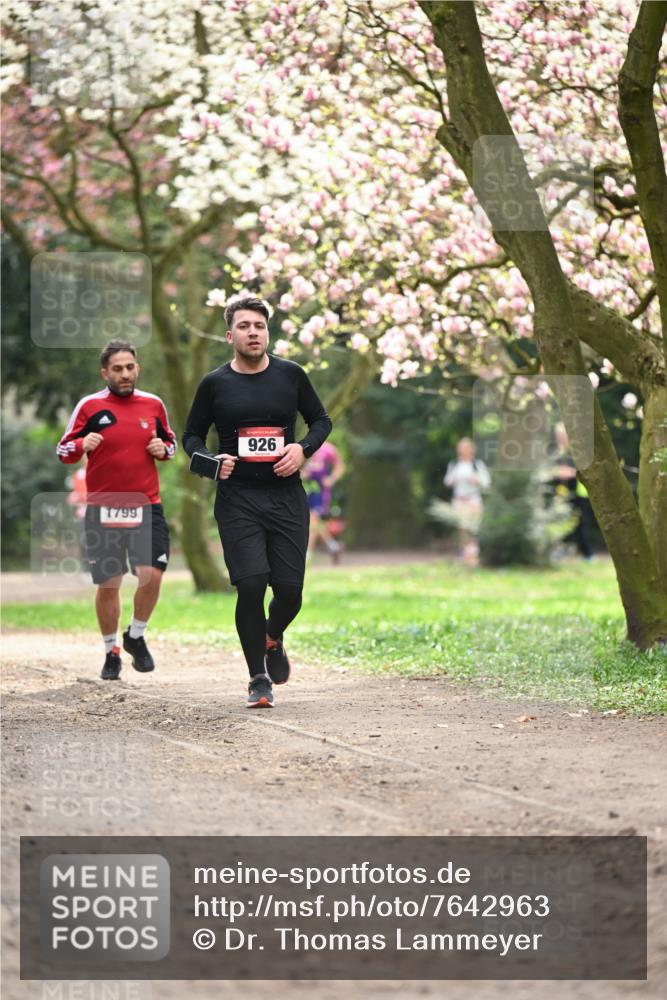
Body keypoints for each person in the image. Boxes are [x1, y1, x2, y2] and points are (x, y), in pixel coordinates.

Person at [182, 295, 332, 708]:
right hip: (238, 499)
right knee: (249, 585)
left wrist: (302, 449)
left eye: (260, 326)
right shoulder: (215, 384)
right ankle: (258, 678)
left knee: (290, 592)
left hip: (286, 497)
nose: (253, 332)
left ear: (268, 332)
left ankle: (272, 635)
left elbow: (321, 420)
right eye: (245, 326)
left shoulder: (291, 375)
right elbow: (190, 437)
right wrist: (213, 463)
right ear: (230, 335)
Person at [57, 339, 176, 680]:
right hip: (104, 507)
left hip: (146, 505)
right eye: (118, 369)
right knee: (109, 583)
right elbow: (63, 450)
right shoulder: (90, 406)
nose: (125, 374)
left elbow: (170, 443)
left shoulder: (153, 404)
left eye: (130, 367)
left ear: (137, 368)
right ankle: (111, 650)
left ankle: (135, 636)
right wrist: (82, 443)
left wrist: (162, 449)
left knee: (150, 574)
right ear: (105, 372)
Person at [551, 422, 594, 561]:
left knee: (579, 524)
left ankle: (587, 553)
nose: (561, 438)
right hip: (563, 494)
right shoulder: (558, 453)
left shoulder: (577, 452)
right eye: (559, 436)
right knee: (563, 523)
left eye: (563, 436)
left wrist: (570, 473)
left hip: (579, 492)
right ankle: (564, 550)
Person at [444, 437, 490, 564]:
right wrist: (452, 480)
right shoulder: (454, 464)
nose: (462, 451)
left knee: (473, 527)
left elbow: (486, 483)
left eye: (465, 448)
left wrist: (476, 480)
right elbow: (447, 481)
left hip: (473, 499)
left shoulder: (477, 464)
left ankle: (473, 553)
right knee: (462, 527)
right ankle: (463, 553)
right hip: (459, 499)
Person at [303, 440, 345, 563]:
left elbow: (340, 466)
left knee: (313, 520)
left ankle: (307, 555)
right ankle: (333, 546)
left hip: (321, 493)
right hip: (308, 491)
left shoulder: (328, 449)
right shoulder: (306, 446)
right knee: (314, 523)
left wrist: (331, 479)